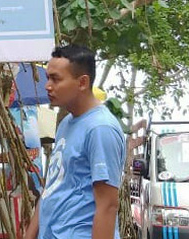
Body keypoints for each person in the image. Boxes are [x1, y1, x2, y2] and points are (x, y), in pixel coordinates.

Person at [23, 45, 126, 239]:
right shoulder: (65, 124)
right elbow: (51, 187)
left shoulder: (100, 128)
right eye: (47, 78)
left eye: (56, 79)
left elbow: (108, 206)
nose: (47, 86)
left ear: (82, 82)